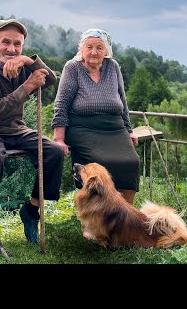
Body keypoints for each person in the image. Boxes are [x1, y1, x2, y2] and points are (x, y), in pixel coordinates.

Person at [0, 18, 65, 253]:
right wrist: (28, 85)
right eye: (5, 42)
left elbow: (49, 79)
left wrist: (28, 61)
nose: (11, 48)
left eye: (17, 44)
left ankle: (31, 210)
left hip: (14, 129)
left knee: (54, 151)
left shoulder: (20, 64)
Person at [51, 29, 140, 204]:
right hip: (83, 129)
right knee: (97, 168)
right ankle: (92, 221)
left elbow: (122, 100)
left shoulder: (112, 66)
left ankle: (123, 215)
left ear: (106, 50)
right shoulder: (73, 68)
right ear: (81, 49)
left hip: (115, 129)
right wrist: (58, 138)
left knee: (131, 162)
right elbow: (61, 104)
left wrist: (129, 130)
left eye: (99, 47)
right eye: (89, 47)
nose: (94, 52)